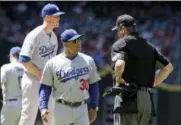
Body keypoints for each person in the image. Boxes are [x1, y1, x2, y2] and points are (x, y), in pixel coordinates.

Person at [111, 14, 174, 125]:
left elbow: (119, 64)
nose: (117, 33)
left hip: (128, 98)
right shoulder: (149, 46)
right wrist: (154, 82)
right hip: (146, 100)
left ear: (122, 29)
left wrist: (118, 78)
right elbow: (168, 68)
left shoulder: (120, 44)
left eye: (118, 30)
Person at [39, 29, 101, 125]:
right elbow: (45, 87)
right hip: (61, 108)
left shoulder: (88, 60)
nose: (79, 43)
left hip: (82, 108)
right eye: (75, 41)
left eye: (79, 40)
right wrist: (43, 107)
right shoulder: (52, 63)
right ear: (65, 44)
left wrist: (94, 106)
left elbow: (93, 85)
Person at [18, 3, 65, 125]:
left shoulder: (54, 36)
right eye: (56, 16)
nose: (58, 19)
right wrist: (39, 74)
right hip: (32, 79)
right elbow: (24, 59)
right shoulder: (34, 35)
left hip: (47, 82)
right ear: (47, 17)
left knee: (49, 117)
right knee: (28, 117)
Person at [0, 47, 24, 125]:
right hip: (25, 105)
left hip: (11, 104)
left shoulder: (6, 67)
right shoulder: (27, 69)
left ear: (11, 55)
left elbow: (1, 82)